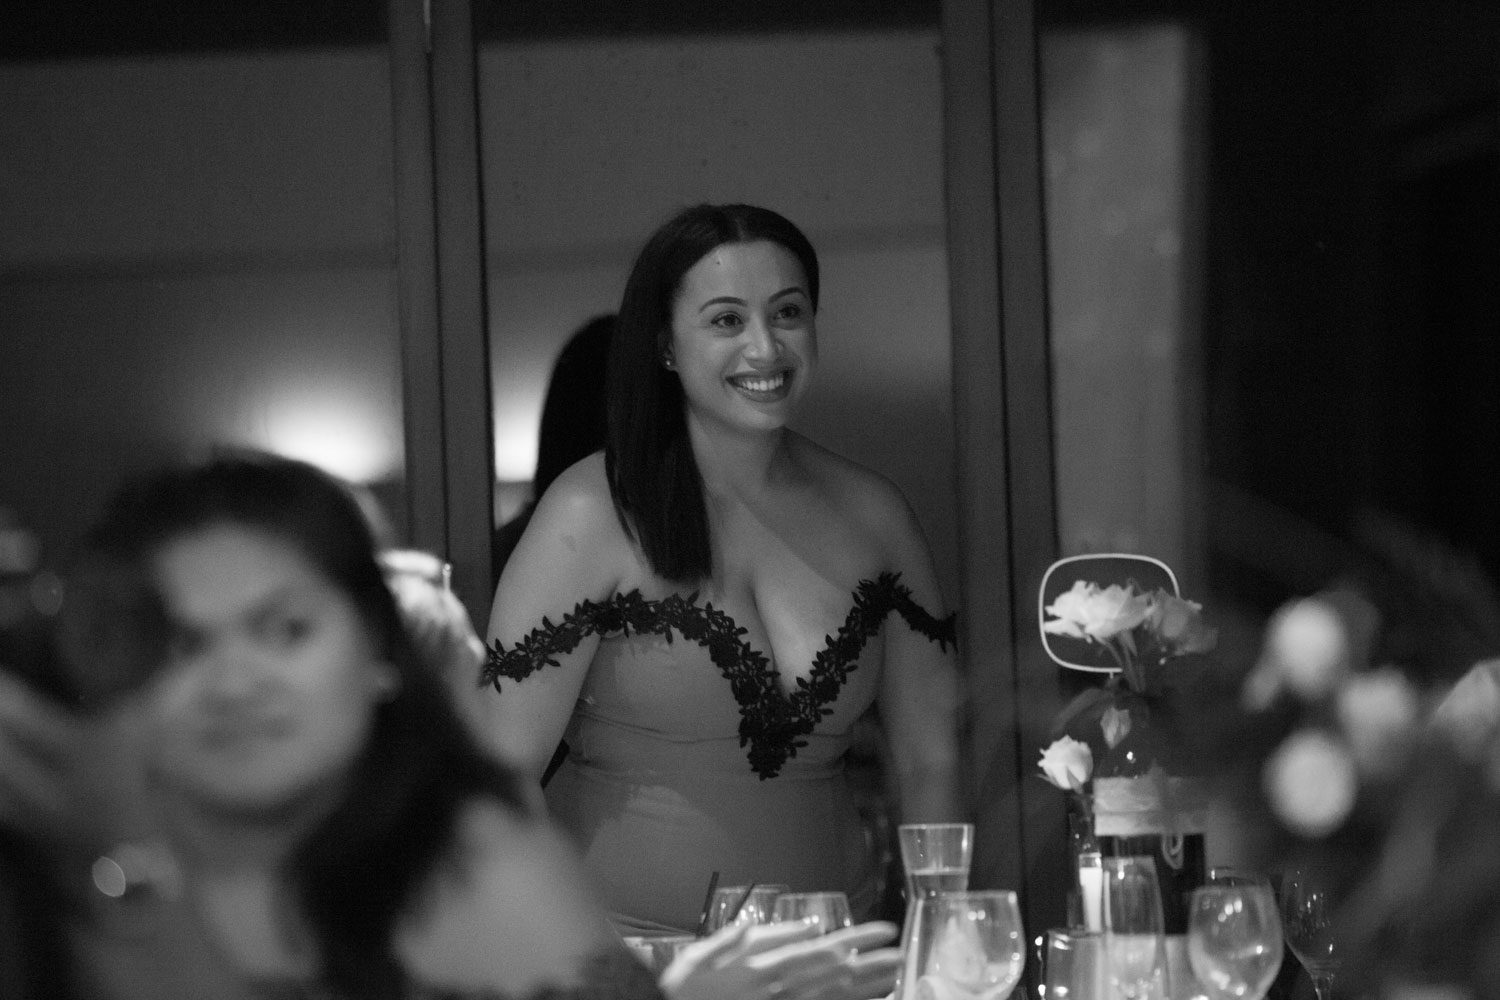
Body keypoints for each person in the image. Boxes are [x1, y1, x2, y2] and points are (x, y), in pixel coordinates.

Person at [480, 203, 966, 935]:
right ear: (666, 346)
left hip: (832, 964)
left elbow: (932, 759)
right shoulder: (591, 512)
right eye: (726, 320)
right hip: (624, 963)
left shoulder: (876, 516)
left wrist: (946, 939)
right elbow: (498, 771)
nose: (765, 348)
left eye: (788, 312)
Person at [47, 451, 658, 1000]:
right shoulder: (64, 876)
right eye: (184, 644)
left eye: (285, 630)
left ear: (379, 650)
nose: (233, 683)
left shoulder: (489, 879)